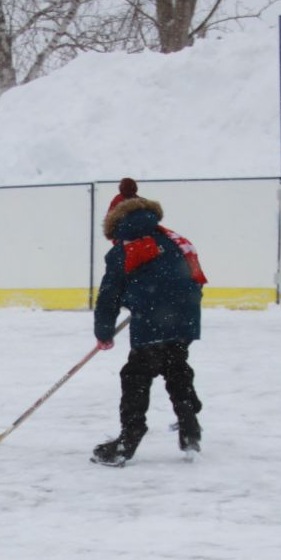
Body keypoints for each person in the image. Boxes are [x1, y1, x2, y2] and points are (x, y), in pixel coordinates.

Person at [89, 178, 207, 467]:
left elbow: (108, 298)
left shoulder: (122, 251)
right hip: (185, 317)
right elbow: (192, 278)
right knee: (175, 366)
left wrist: (104, 332)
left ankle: (129, 438)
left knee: (135, 376)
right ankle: (190, 427)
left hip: (155, 321)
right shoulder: (174, 239)